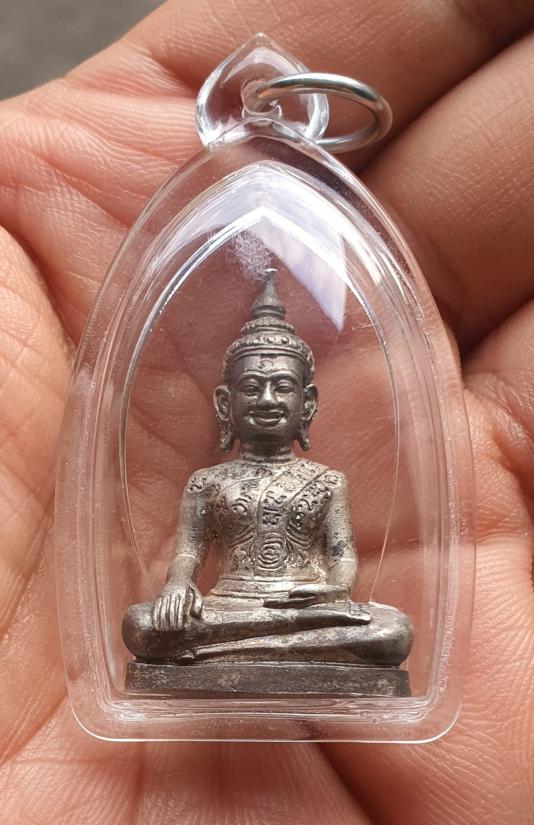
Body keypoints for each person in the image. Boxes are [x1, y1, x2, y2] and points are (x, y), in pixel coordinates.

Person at [0, 1, 533, 822]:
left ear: (308, 401)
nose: (269, 397)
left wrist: (315, 598)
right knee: (142, 627)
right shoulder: (208, 483)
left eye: (283, 388)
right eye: (252, 387)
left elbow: (344, 564)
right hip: (224, 612)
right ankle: (236, 645)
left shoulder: (324, 481)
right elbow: (187, 559)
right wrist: (180, 594)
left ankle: (271, 646)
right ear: (225, 401)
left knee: (388, 632)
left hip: (310, 612)